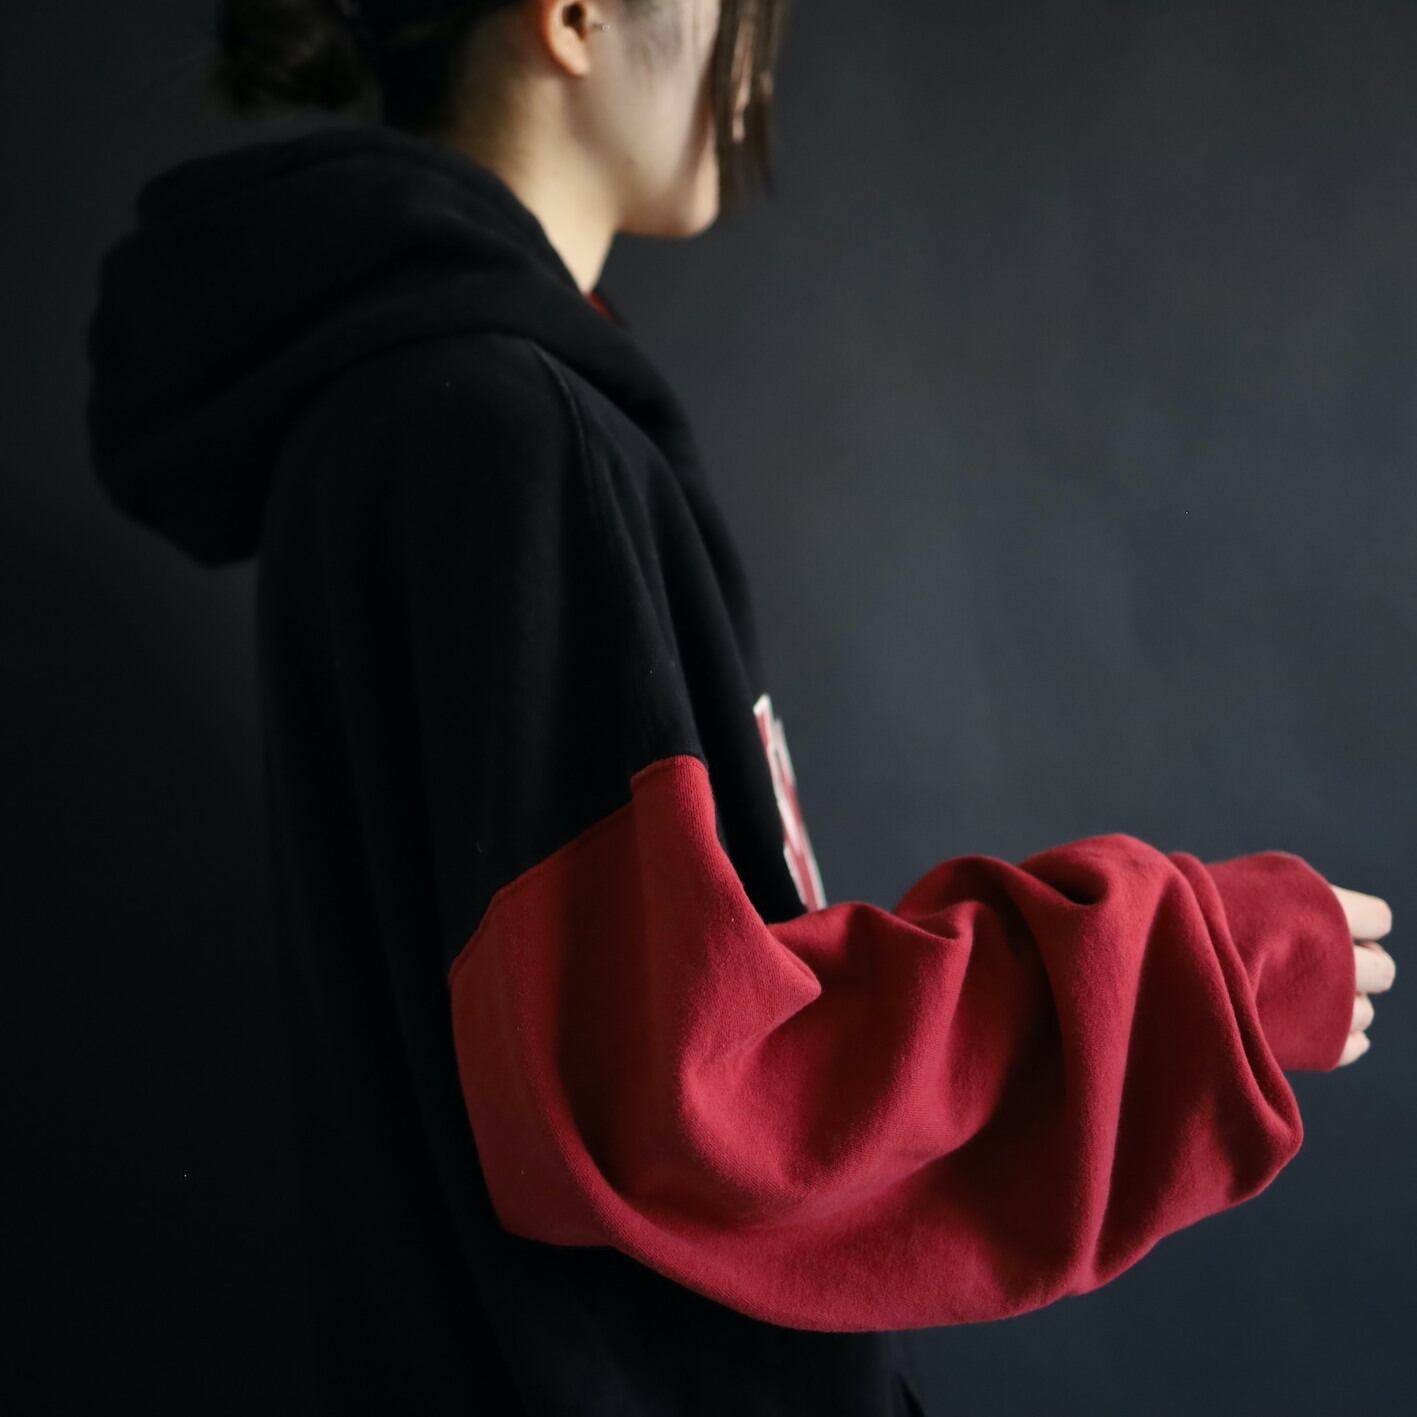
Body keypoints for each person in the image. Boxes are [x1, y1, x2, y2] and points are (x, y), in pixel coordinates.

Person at [82, 2, 1396, 1413]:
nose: (755, 47)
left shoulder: (385, 418)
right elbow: (701, 1100)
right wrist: (1198, 968)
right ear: (575, 16)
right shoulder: (511, 435)